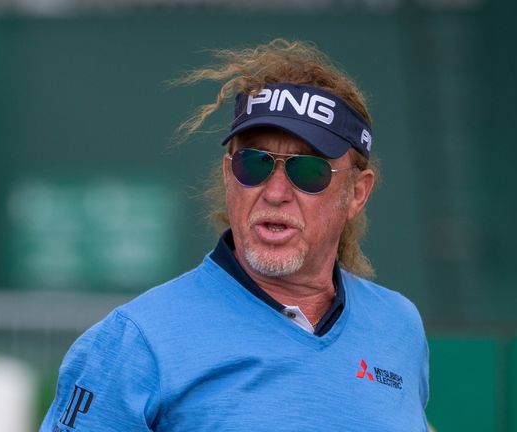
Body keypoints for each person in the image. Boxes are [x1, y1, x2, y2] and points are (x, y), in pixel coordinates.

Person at [40, 39, 429, 431]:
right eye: (254, 163)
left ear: (357, 193)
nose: (275, 192)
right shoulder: (136, 341)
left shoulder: (398, 326)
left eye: (308, 170)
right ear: (229, 175)